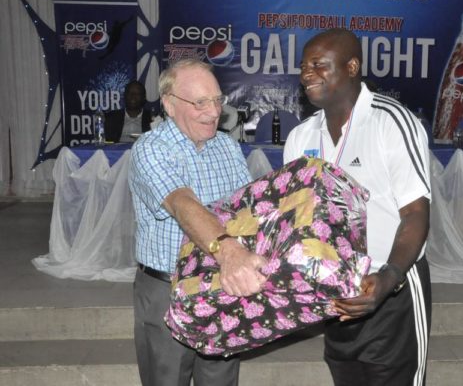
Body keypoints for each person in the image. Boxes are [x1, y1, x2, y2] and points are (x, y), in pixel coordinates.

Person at [284, 28, 432, 386]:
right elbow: (296, 220)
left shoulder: (391, 122)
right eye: (304, 66)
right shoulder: (300, 137)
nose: (306, 74)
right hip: (336, 297)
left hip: (390, 288)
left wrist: (390, 278)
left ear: (352, 67)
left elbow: (416, 213)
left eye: (319, 65)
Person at [128, 58, 267, 386]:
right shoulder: (151, 149)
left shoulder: (228, 147)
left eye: (217, 99)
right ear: (169, 104)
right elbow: (182, 203)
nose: (214, 111)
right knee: (167, 378)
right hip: (169, 289)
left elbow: (248, 210)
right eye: (200, 102)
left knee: (221, 378)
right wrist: (230, 251)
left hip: (223, 286)